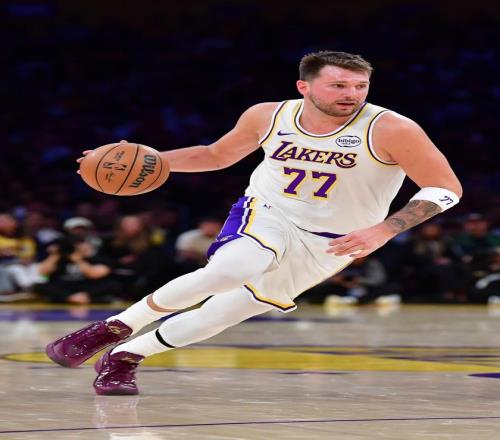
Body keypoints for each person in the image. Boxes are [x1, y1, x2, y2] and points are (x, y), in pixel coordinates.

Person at [45, 51, 462, 395]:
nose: (351, 94)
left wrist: (386, 229)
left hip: (334, 241)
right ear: (304, 87)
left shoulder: (392, 128)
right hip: (269, 212)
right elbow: (216, 156)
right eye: (339, 85)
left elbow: (446, 188)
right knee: (233, 269)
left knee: (221, 315)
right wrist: (143, 162)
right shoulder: (268, 116)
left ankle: (124, 357)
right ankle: (115, 327)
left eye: (360, 86)